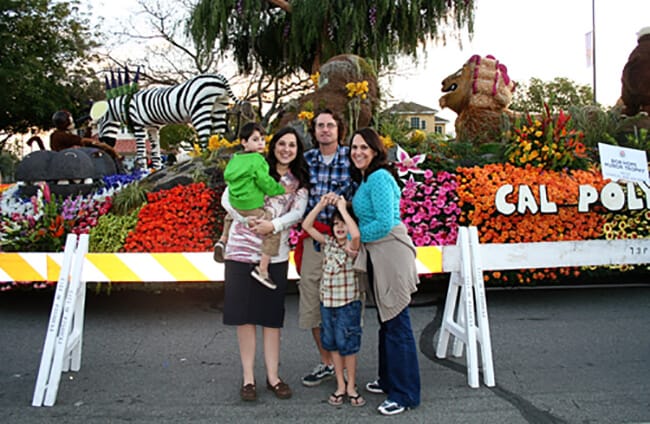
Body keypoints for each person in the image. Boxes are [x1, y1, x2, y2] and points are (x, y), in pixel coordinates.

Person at [221, 126, 310, 402]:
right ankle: (249, 378)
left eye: (292, 145)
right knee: (244, 317)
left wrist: (273, 224)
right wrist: (246, 219)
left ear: (297, 150)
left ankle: (273, 377)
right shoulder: (256, 164)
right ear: (273, 147)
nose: (286, 149)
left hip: (275, 256)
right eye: (281, 143)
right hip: (241, 252)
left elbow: (298, 212)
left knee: (271, 319)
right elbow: (227, 197)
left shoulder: (298, 181)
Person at [348, 127, 421, 416]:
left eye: (364, 147)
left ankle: (404, 395)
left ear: (376, 150)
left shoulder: (379, 177)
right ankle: (389, 379)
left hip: (390, 252)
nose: (358, 152)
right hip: (378, 255)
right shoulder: (368, 178)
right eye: (354, 147)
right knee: (387, 321)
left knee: (397, 322)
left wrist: (352, 238)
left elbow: (383, 223)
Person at [298, 109, 356, 387]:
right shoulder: (306, 159)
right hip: (314, 237)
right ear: (314, 130)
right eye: (320, 125)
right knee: (312, 303)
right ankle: (327, 362)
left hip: (341, 240)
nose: (325, 130)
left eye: (330, 125)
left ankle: (346, 365)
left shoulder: (351, 156)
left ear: (338, 129)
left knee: (345, 304)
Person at [301, 193, 365, 407]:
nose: (339, 227)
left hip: (348, 305)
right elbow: (307, 225)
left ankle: (351, 385)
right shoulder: (327, 242)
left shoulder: (352, 246)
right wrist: (321, 204)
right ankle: (340, 384)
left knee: (349, 346)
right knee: (334, 346)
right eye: (335, 223)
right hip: (328, 305)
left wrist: (343, 208)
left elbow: (355, 235)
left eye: (343, 224)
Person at [219, 122, 286, 290]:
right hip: (251, 205)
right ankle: (262, 270)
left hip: (235, 202)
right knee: (272, 229)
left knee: (230, 215)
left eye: (263, 139)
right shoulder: (257, 160)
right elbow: (265, 182)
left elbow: (228, 178)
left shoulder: (235, 159)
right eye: (256, 140)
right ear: (244, 142)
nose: (261, 143)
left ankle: (222, 240)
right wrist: (279, 189)